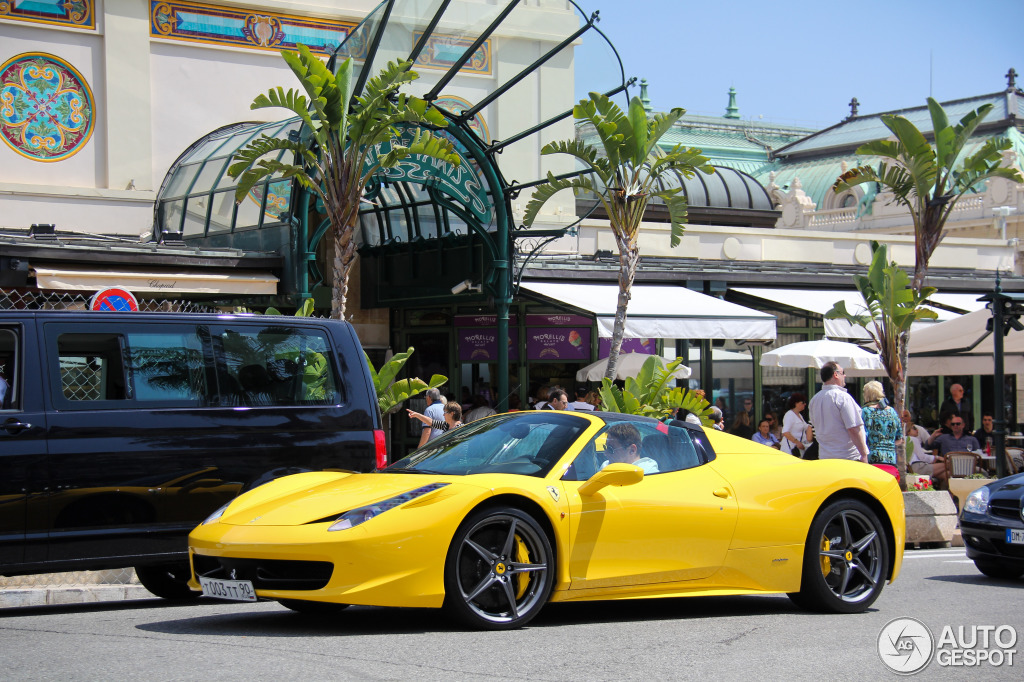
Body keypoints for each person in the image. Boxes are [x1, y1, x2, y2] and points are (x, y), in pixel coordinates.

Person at [807, 361, 870, 462]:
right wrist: (863, 454)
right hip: (847, 457)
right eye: (842, 372)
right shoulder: (842, 397)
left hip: (825, 457)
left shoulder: (814, 400)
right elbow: (853, 428)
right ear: (835, 374)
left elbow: (814, 425)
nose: (844, 375)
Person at [860, 381, 901, 466]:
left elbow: (860, 436)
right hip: (890, 460)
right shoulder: (892, 412)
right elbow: (899, 439)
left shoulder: (865, 412)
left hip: (871, 459)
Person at [903, 409, 946, 487]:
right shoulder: (912, 439)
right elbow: (922, 457)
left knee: (946, 474)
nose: (917, 430)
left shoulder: (902, 439)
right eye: (914, 428)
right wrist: (937, 457)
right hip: (918, 467)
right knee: (948, 464)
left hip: (911, 468)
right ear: (908, 431)